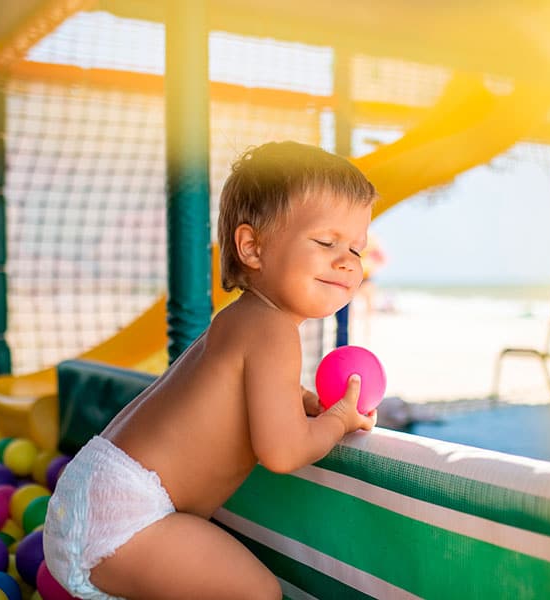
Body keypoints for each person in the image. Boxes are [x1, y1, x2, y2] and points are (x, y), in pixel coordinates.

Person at [44, 141, 379, 600]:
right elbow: (282, 453)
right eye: (326, 242)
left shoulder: (238, 318)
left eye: (356, 249)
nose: (346, 260)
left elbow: (234, 393)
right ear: (252, 247)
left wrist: (300, 399)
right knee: (257, 593)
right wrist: (338, 419)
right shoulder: (275, 330)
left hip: (92, 494)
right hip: (125, 519)